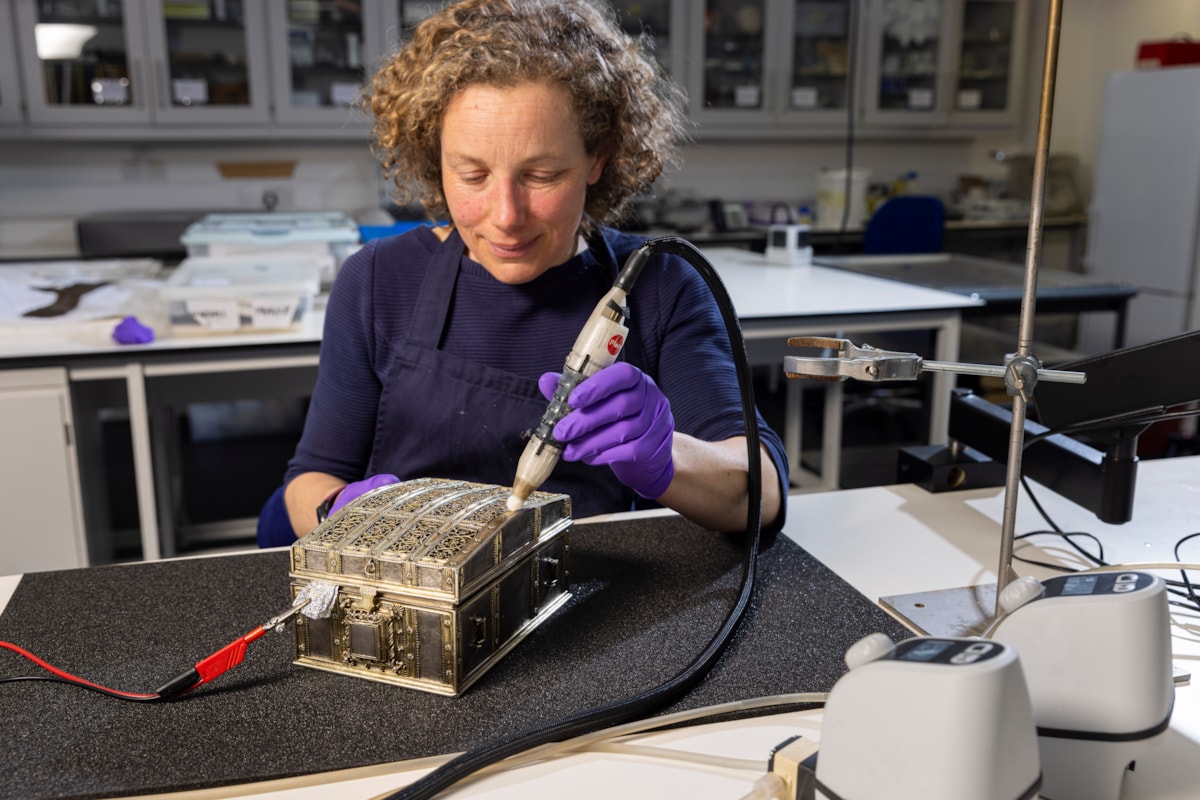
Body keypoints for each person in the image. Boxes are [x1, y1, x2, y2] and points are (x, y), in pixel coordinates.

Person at [256, 0, 788, 546]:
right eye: (472, 174)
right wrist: (341, 513)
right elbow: (310, 480)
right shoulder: (377, 282)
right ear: (434, 159)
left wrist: (666, 455)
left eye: (541, 175)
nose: (506, 216)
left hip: (592, 599)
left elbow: (762, 491)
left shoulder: (660, 286)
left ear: (597, 158)